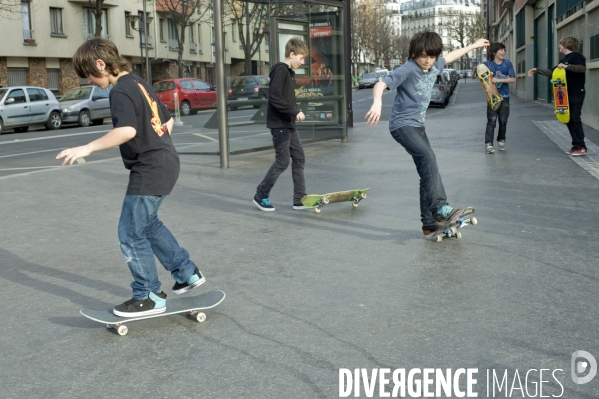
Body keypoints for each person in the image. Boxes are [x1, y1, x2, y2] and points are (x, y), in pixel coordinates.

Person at [56, 38, 205, 317]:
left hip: (148, 169)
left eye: (88, 73)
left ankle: (148, 295)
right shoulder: (139, 83)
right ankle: (186, 272)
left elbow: (126, 131)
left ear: (101, 64)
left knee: (130, 232)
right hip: (166, 162)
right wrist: (155, 141)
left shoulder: (120, 91)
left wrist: (86, 148)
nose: (89, 80)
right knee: (147, 224)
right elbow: (167, 121)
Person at [365, 31, 489, 237]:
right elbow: (381, 83)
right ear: (414, 53)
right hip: (401, 126)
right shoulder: (408, 69)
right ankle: (440, 208)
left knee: (427, 170)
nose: (427, 61)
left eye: (432, 57)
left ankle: (428, 223)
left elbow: (451, 56)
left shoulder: (435, 63)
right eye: (423, 56)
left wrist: (473, 46)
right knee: (428, 157)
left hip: (418, 127)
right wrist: (377, 103)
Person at [253, 37, 311, 211]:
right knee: (282, 161)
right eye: (300, 58)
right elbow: (275, 97)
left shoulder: (287, 72)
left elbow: (282, 97)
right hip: (280, 125)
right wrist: (294, 111)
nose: (301, 62)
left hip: (287, 124)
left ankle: (299, 199)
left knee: (299, 157)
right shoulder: (281, 70)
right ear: (292, 54)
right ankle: (261, 195)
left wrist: (293, 109)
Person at [527, 36, 587, 156]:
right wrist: (537, 70)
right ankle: (576, 145)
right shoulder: (564, 59)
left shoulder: (577, 56)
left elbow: (582, 68)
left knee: (575, 119)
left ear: (565, 45)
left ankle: (581, 146)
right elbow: (553, 73)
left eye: (560, 44)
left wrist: (567, 67)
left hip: (576, 92)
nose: (559, 46)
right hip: (565, 94)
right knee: (568, 119)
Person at [472, 42, 515, 154]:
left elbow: (512, 79)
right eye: (501, 50)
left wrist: (498, 80)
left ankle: (501, 140)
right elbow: (474, 76)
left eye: (504, 50)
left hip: (504, 97)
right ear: (494, 52)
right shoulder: (487, 64)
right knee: (491, 121)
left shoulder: (507, 64)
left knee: (503, 120)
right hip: (492, 97)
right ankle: (489, 144)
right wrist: (476, 69)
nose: (503, 52)